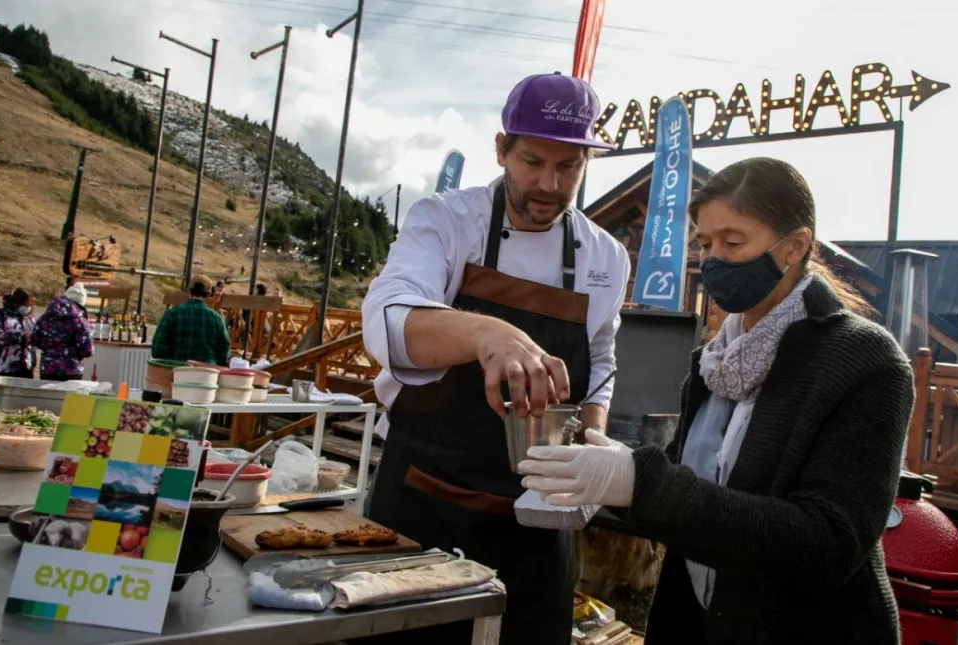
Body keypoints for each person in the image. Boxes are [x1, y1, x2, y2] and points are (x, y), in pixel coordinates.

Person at [519, 157, 915, 645]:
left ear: (795, 246)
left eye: (733, 242)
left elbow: (826, 545)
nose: (713, 260)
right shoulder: (714, 362)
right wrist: (605, 474)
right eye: (705, 243)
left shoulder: (866, 362)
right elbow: (688, 495)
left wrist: (641, 482)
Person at [357, 72, 629, 645]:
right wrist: (489, 334)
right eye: (532, 161)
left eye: (569, 167)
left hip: (538, 525)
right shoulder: (446, 221)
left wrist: (592, 436)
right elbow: (387, 321)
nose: (548, 185)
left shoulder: (605, 256)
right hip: (423, 506)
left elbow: (601, 357)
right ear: (501, 148)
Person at [152, 275, 231, 366]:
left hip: (176, 371)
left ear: (189, 291)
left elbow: (157, 350)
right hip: (207, 374)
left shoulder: (171, 314)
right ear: (209, 294)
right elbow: (224, 354)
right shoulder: (217, 319)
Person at [31, 283, 94, 382]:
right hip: (72, 370)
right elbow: (87, 350)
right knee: (67, 397)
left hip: (48, 367)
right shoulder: (79, 321)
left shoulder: (45, 318)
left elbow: (34, 340)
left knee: (47, 396)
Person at [0, 288, 36, 378]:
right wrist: (19, 336)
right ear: (16, 304)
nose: (28, 307)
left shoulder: (27, 317)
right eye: (26, 304)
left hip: (25, 368)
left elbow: (35, 333)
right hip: (3, 367)